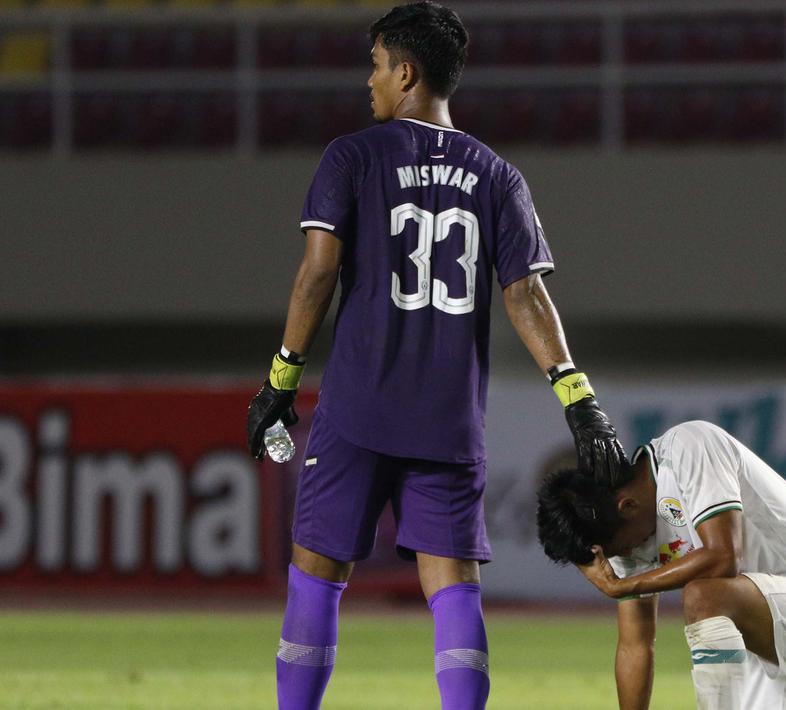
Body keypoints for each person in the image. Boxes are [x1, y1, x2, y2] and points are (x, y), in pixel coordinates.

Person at [244, 3, 626, 708]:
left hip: (357, 408)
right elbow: (525, 296)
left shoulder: (351, 156)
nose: (369, 81)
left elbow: (318, 274)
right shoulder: (496, 174)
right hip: (446, 422)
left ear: (406, 72)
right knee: (452, 591)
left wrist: (280, 379)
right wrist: (577, 397)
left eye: (376, 65)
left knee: (315, 579)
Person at [536, 420, 786, 710]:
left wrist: (622, 587)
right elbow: (635, 645)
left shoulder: (689, 447)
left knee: (704, 595)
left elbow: (723, 557)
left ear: (626, 505)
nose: (624, 556)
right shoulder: (623, 535)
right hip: (771, 642)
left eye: (620, 546)